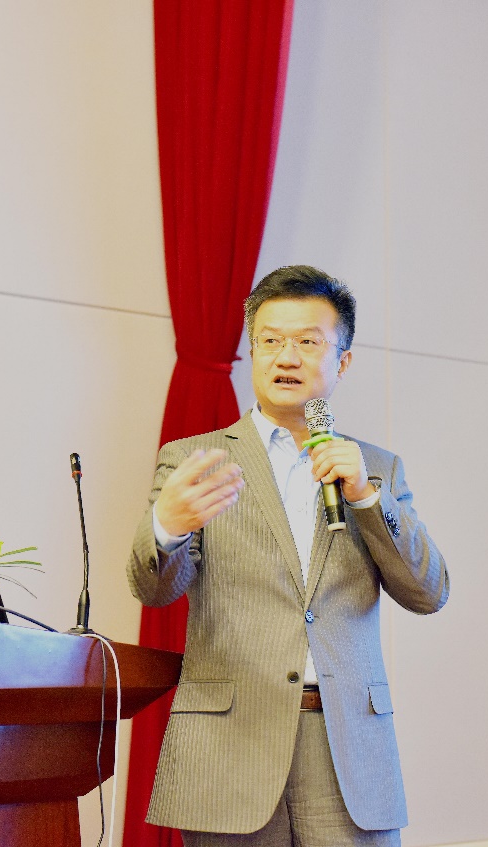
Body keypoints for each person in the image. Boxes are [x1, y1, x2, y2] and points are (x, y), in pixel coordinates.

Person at [129, 265, 449, 847]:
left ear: (343, 361)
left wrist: (366, 498)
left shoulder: (376, 468)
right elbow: (155, 590)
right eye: (270, 340)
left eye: (308, 341)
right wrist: (167, 528)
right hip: (231, 745)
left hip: (347, 747)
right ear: (253, 352)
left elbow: (429, 592)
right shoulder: (195, 460)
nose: (287, 357)